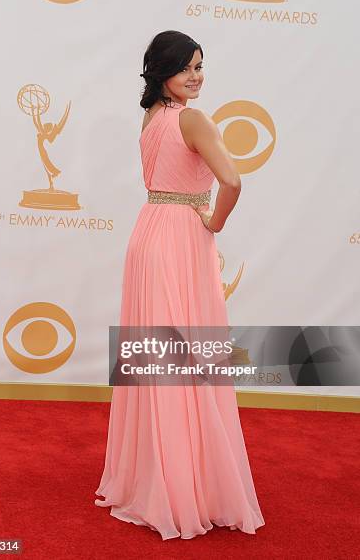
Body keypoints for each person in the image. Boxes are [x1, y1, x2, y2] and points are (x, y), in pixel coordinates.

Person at [94, 30, 265, 540]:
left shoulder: (151, 118)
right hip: (180, 240)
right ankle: (182, 487)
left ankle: (155, 478)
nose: (197, 77)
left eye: (200, 66)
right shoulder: (191, 119)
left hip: (148, 231)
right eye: (187, 67)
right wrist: (214, 222)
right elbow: (232, 180)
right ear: (162, 70)